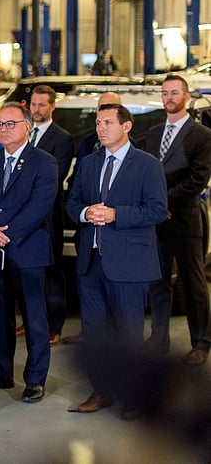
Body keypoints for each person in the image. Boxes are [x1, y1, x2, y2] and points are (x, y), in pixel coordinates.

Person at [66, 103, 167, 417]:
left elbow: (155, 209)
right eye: (98, 123)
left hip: (129, 262)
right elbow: (71, 202)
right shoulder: (88, 163)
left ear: (127, 126)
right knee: (95, 333)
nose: (101, 128)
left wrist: (115, 214)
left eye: (108, 122)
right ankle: (102, 391)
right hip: (91, 262)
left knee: (129, 333)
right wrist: (85, 213)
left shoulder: (147, 165)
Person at [0, 102, 58, 403]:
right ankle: (0, 372)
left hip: (27, 251)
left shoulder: (44, 162)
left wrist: (2, 235)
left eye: (10, 124)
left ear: (27, 128)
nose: (3, 130)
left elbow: (39, 206)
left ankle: (35, 380)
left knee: (34, 319)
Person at [145, 75, 211, 366]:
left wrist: (164, 202)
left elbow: (198, 179)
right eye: (165, 93)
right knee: (158, 283)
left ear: (186, 96)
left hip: (184, 220)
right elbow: (146, 174)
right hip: (157, 223)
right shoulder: (153, 133)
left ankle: (201, 343)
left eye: (174, 92)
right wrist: (155, 206)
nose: (169, 97)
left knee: (193, 282)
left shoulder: (202, 135)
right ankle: (158, 339)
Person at [61, 91, 122, 345]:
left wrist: (113, 213)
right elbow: (75, 188)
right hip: (88, 233)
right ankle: (91, 335)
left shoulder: (137, 156)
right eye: (100, 112)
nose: (102, 119)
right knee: (88, 289)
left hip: (118, 238)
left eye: (109, 111)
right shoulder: (87, 146)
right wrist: (86, 212)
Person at [28, 85, 74, 346]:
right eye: (33, 104)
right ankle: (31, 322)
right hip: (23, 219)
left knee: (53, 272)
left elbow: (54, 178)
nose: (37, 109)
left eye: (42, 105)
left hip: (48, 219)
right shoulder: (24, 133)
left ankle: (53, 326)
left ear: (52, 106)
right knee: (29, 272)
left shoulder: (62, 139)